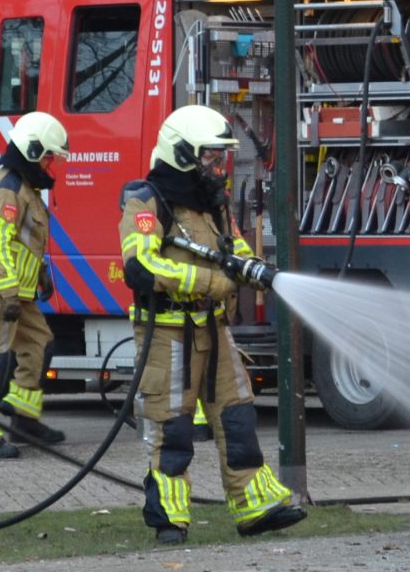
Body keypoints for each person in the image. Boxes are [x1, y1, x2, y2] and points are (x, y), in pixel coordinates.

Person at [118, 106, 302, 546]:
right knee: (173, 428)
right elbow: (139, 265)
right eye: (211, 157)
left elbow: (232, 245)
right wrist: (210, 282)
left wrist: (254, 269)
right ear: (182, 154)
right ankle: (169, 519)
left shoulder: (210, 203)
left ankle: (255, 506)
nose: (218, 168)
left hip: (214, 331)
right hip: (167, 334)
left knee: (237, 416)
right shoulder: (146, 200)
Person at [0, 111, 71, 460]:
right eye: (49, 157)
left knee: (41, 346)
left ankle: (23, 419)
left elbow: (23, 244)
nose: (52, 164)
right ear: (33, 151)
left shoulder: (25, 189)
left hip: (17, 295)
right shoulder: (9, 191)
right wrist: (10, 290)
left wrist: (39, 275)